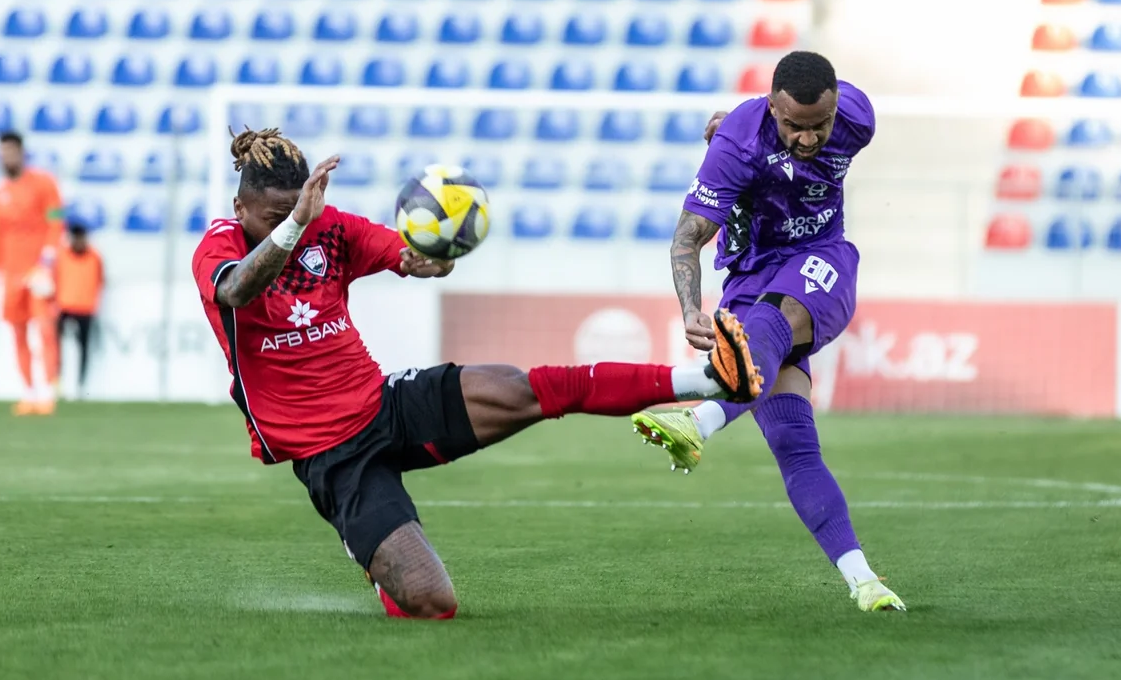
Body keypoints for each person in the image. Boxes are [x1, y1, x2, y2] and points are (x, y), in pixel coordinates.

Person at [191, 127, 763, 620]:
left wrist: (431, 257)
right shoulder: (220, 246)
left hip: (382, 402)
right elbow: (237, 289)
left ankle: (707, 380)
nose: (289, 226)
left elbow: (408, 256)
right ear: (241, 209)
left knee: (529, 388)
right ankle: (369, 549)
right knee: (433, 602)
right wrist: (295, 223)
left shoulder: (331, 227)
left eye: (296, 213)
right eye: (273, 218)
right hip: (329, 453)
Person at [631, 51, 906, 612]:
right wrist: (690, 309)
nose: (808, 139)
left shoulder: (857, 118)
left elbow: (812, 120)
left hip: (821, 258)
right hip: (750, 276)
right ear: (773, 107)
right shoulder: (737, 143)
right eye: (793, 126)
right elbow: (687, 238)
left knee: (766, 323)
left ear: (836, 108)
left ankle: (698, 421)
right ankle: (866, 582)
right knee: (793, 445)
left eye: (819, 125)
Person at [0, 130, 63, 416]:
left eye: (10, 152)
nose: (6, 157)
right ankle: (28, 392)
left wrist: (48, 260)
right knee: (18, 332)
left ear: (21, 153)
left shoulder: (44, 184)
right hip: (11, 273)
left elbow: (57, 220)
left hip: (38, 270)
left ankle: (48, 391)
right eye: (2, 153)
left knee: (44, 329)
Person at [55, 221, 105, 397]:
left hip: (85, 308)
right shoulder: (62, 255)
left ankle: (81, 385)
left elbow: (100, 280)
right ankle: (57, 382)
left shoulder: (95, 257)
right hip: (64, 307)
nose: (78, 241)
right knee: (57, 348)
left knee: (83, 348)